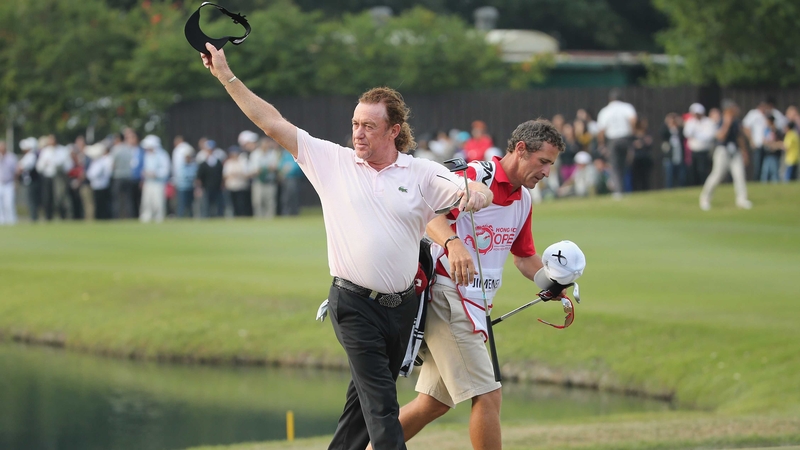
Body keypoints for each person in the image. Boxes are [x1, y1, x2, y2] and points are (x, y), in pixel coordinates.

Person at [199, 42, 492, 450]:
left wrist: (474, 190)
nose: (358, 132)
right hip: (353, 305)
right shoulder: (331, 161)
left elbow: (457, 186)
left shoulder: (419, 171)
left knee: (360, 411)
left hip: (402, 309)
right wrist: (226, 77)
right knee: (382, 408)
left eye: (369, 126)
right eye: (355, 123)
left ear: (393, 131)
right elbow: (272, 123)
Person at [383, 119, 564, 450]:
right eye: (544, 162)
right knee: (488, 393)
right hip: (445, 295)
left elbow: (524, 258)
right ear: (521, 150)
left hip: (474, 306)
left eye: (551, 164)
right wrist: (453, 244)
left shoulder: (522, 200)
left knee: (434, 403)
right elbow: (426, 214)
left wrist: (556, 283)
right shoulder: (475, 177)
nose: (547, 172)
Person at [699, 99, 752, 211]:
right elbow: (721, 136)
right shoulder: (720, 120)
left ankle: (741, 200)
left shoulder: (737, 122)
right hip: (722, 151)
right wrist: (727, 123)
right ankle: (705, 198)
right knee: (717, 175)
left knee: (739, 175)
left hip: (735, 151)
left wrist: (744, 152)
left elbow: (739, 138)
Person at [596, 89, 637, 199]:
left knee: (614, 166)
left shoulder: (605, 110)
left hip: (613, 140)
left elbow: (601, 130)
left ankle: (618, 191)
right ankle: (627, 188)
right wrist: (632, 133)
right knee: (626, 164)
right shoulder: (627, 107)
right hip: (626, 138)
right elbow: (633, 120)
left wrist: (601, 144)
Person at [139, 135, 170, 223]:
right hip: (148, 182)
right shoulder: (147, 155)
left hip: (158, 183)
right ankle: (146, 216)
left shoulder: (162, 155)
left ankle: (159, 217)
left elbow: (165, 170)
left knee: (158, 202)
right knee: (146, 201)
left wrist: (155, 174)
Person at [683, 103, 716, 186]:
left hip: (704, 151)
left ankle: (704, 185)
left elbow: (709, 136)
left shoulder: (708, 122)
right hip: (693, 150)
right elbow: (687, 133)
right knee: (693, 171)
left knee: (703, 170)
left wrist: (697, 135)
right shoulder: (691, 122)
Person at [85, 142, 114, 220]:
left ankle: (102, 218)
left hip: (101, 186)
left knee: (102, 205)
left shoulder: (101, 162)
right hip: (97, 186)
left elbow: (93, 174)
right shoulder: (96, 162)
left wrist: (88, 175)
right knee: (98, 204)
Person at [0, 141, 18, 225]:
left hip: (9, 183)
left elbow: (15, 171)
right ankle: (2, 221)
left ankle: (11, 221)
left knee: (9, 203)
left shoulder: (11, 157)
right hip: (0, 183)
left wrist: (15, 182)